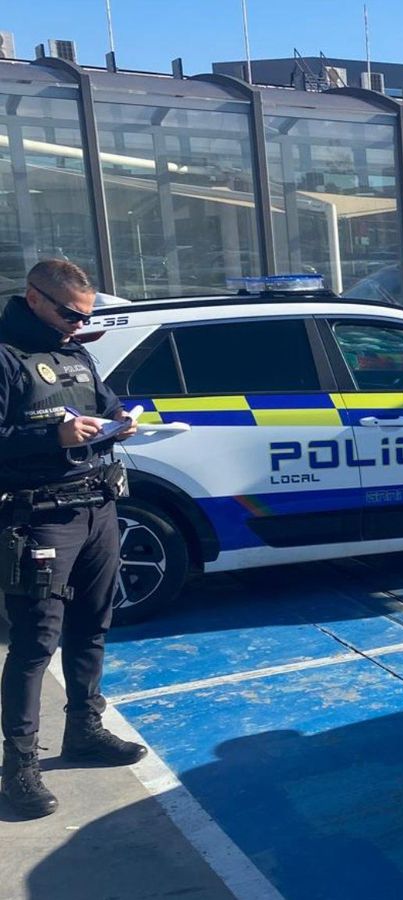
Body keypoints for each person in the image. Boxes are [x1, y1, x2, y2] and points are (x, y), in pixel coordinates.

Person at [1, 259, 146, 820]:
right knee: (36, 644)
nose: (77, 324)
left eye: (84, 316)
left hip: (96, 507)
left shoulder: (74, 351)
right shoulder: (6, 356)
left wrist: (121, 420)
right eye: (69, 313)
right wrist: (50, 436)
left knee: (93, 625)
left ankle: (84, 732)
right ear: (34, 298)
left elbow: (103, 405)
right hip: (38, 517)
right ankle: (19, 768)